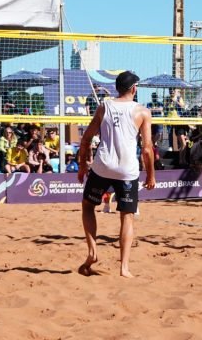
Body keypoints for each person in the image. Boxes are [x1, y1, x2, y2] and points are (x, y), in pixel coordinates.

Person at [77, 70, 155, 278]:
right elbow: (147, 149)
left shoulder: (104, 106)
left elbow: (85, 139)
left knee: (87, 206)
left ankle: (93, 251)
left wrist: (83, 166)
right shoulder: (143, 112)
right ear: (134, 89)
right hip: (127, 169)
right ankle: (124, 268)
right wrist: (151, 176)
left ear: (117, 88)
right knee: (127, 217)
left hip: (103, 165)